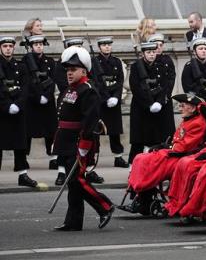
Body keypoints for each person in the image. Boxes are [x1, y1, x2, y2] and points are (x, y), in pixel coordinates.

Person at [53, 46, 114, 231]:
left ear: (84, 71)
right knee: (72, 182)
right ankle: (73, 221)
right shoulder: (70, 89)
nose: (69, 73)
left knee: (77, 180)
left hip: (79, 142)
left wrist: (84, 146)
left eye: (73, 70)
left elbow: (90, 121)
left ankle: (105, 206)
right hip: (66, 140)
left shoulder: (88, 90)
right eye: (68, 70)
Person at [119, 93, 206, 214]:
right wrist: (164, 146)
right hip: (175, 154)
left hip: (183, 156)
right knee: (140, 158)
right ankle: (142, 197)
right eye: (180, 105)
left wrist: (166, 147)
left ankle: (143, 200)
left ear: (193, 108)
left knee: (149, 163)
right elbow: (177, 141)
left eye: (183, 105)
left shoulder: (198, 123)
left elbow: (183, 147)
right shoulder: (188, 120)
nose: (180, 108)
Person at [128, 42, 176, 165]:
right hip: (142, 107)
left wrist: (159, 102)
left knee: (162, 137)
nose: (151, 55)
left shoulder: (162, 65)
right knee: (139, 140)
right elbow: (136, 88)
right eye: (148, 52)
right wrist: (149, 104)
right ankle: (133, 167)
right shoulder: (136, 67)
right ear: (143, 54)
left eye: (153, 52)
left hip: (160, 106)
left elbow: (166, 85)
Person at [0, 36, 37, 187]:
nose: (8, 48)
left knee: (20, 144)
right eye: (5, 46)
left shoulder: (21, 66)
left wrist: (18, 105)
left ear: (14, 48)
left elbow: (26, 87)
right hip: (2, 111)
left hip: (18, 110)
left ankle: (23, 175)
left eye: (10, 46)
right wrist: (7, 105)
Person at [21, 35, 58, 170]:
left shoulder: (50, 61)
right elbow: (26, 83)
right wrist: (37, 97)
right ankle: (23, 158)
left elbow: (53, 80)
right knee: (28, 132)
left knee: (51, 131)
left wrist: (47, 96)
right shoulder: (25, 61)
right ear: (31, 46)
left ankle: (53, 158)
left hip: (48, 102)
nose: (38, 46)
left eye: (41, 44)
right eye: (35, 44)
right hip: (32, 102)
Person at [93, 37, 127, 168]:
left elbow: (120, 80)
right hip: (101, 101)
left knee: (115, 130)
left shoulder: (116, 61)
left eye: (109, 45)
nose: (107, 47)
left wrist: (116, 97)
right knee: (97, 131)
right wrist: (106, 98)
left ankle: (118, 156)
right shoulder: (95, 61)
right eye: (104, 45)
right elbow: (97, 82)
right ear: (99, 47)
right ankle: (94, 155)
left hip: (114, 99)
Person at [148, 33, 176, 124]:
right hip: (151, 99)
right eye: (156, 45)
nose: (159, 47)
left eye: (161, 45)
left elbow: (171, 79)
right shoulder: (148, 60)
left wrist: (165, 96)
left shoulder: (167, 59)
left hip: (165, 98)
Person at [181, 38, 206, 103]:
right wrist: (201, 101)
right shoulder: (189, 66)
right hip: (196, 102)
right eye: (200, 49)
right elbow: (188, 88)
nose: (203, 51)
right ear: (194, 52)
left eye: (205, 49)